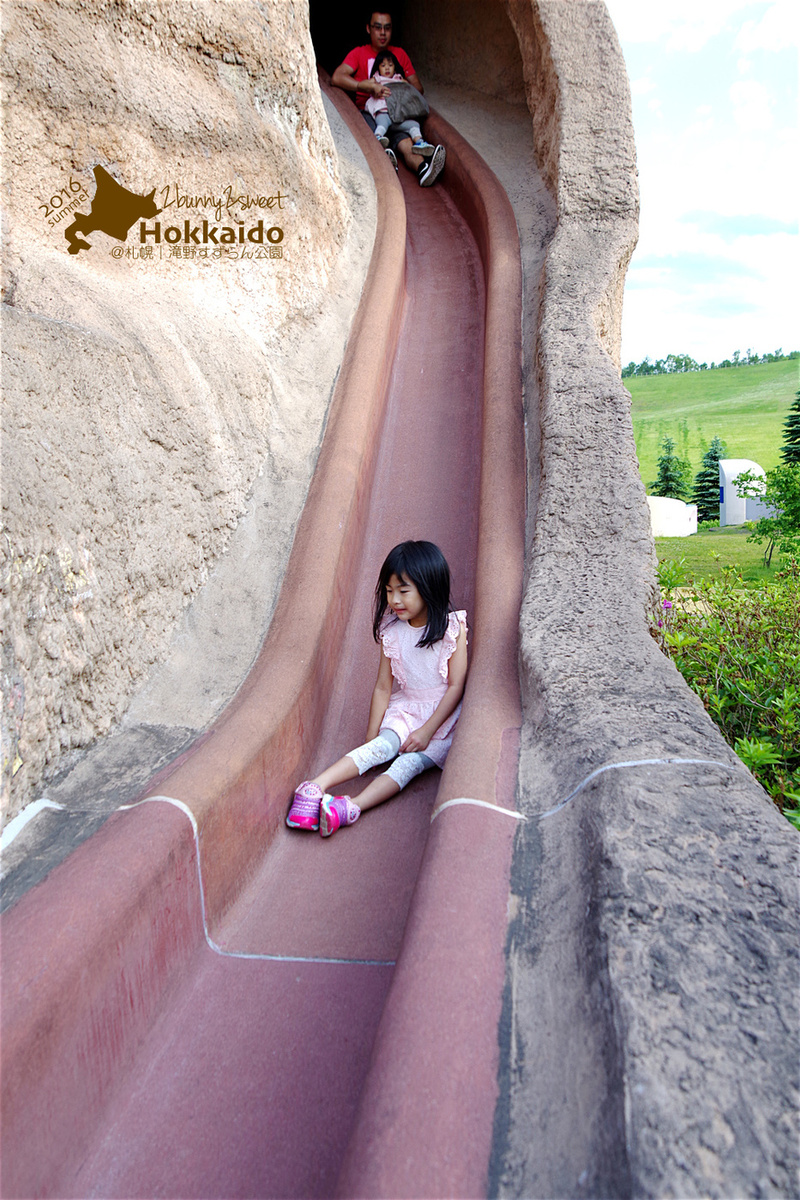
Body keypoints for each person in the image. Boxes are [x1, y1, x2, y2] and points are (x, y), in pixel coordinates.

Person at [286, 541, 468, 836]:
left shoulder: (451, 628)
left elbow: (456, 686)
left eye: (403, 590)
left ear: (429, 587)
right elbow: (383, 688)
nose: (394, 599)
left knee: (408, 766)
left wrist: (426, 732)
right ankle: (315, 786)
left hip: (442, 721)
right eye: (388, 590)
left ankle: (350, 807)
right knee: (381, 748)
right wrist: (370, 738)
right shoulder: (392, 633)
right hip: (406, 709)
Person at [331, 10, 446, 187]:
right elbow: (337, 77)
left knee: (406, 142)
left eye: (387, 28)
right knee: (376, 136)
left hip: (397, 111)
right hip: (369, 111)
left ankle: (423, 169)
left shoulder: (399, 54)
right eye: (378, 28)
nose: (383, 33)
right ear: (368, 29)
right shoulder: (359, 53)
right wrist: (365, 86)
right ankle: (387, 166)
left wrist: (400, 86)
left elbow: (418, 88)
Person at [365, 49, 434, 158]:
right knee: (382, 123)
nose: (387, 68)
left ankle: (419, 142)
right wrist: (373, 87)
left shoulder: (399, 79)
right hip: (385, 112)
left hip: (399, 116)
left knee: (413, 124)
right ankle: (378, 137)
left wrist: (404, 84)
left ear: (395, 67)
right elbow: (363, 84)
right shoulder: (377, 78)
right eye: (383, 65)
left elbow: (410, 89)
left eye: (390, 65)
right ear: (378, 67)